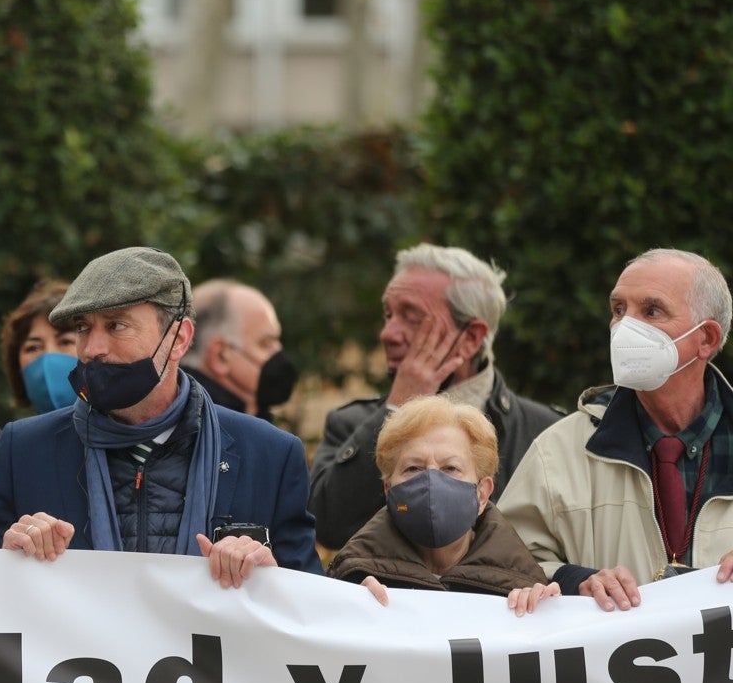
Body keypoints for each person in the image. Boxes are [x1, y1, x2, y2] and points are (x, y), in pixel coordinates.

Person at [0, 247, 322, 586]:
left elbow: (311, 610)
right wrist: (8, 554)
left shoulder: (270, 455)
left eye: (116, 326)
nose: (92, 349)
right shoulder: (25, 450)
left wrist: (272, 575)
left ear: (178, 339)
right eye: (83, 328)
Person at [499, 248, 733, 612]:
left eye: (651, 311)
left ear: (706, 339)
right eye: (619, 310)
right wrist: (575, 581)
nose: (624, 327)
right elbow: (501, 566)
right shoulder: (558, 451)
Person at [307, 244, 563, 552]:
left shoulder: (548, 432)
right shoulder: (350, 425)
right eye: (388, 315)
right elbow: (327, 528)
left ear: (470, 339)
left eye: (411, 316)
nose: (387, 333)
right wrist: (398, 408)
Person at [327, 395, 558, 615]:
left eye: (451, 468)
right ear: (389, 490)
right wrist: (345, 600)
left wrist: (541, 611)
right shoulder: (351, 579)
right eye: (413, 469)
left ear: (482, 493)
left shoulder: (521, 586)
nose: (431, 482)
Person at [179, 279, 299, 422]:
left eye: (277, 340)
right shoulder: (204, 431)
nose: (278, 352)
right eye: (265, 344)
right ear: (220, 355)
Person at [0, 279, 79, 414]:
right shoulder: (13, 435)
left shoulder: (125, 432)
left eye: (66, 342)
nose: (49, 356)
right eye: (33, 348)